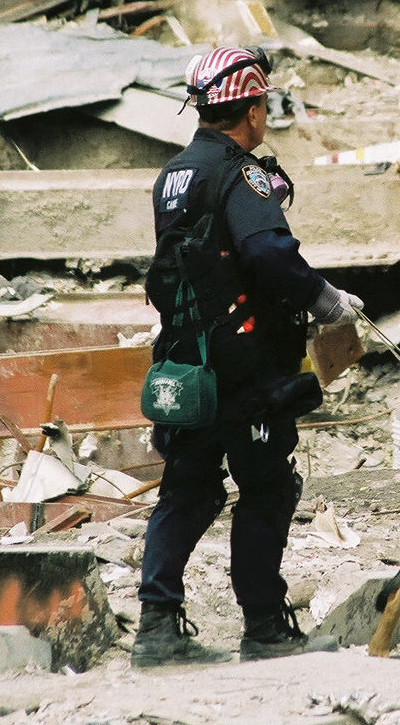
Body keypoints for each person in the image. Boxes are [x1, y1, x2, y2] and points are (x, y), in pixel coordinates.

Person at [133, 46, 362, 667]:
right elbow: (264, 252)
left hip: (187, 361)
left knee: (186, 489)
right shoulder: (244, 175)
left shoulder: (174, 175)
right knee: (265, 487)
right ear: (252, 110)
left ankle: (156, 627)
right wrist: (326, 300)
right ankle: (263, 626)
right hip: (245, 367)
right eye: (264, 107)